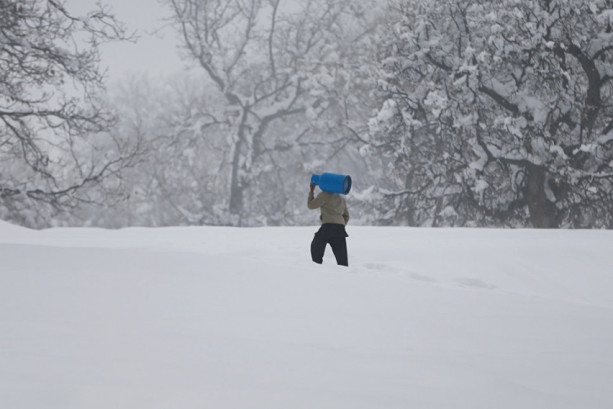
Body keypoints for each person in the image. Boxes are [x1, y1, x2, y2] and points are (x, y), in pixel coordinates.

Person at [307, 182, 350, 266]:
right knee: (342, 259)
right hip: (340, 230)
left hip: (327, 228)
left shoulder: (324, 195)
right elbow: (346, 216)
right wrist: (340, 225)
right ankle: (345, 272)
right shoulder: (341, 198)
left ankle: (317, 268)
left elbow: (311, 205)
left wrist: (311, 191)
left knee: (316, 247)